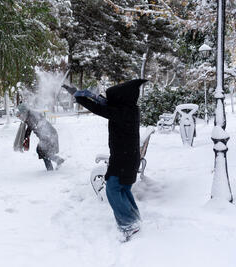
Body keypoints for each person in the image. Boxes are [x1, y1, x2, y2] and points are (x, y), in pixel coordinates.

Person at [62, 79, 148, 240]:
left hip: (123, 158)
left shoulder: (124, 112)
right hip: (127, 157)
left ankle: (129, 224)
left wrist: (79, 97)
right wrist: (78, 93)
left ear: (122, 97)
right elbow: (102, 103)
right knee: (124, 189)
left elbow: (99, 108)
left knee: (113, 189)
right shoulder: (128, 109)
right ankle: (134, 219)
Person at [17, 104, 65, 171]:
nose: (21, 115)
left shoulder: (31, 117)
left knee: (42, 151)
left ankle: (50, 169)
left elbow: (32, 127)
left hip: (49, 135)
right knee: (43, 151)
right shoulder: (30, 115)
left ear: (24, 111)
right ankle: (57, 160)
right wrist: (25, 137)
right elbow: (30, 128)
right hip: (48, 135)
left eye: (21, 113)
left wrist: (25, 137)